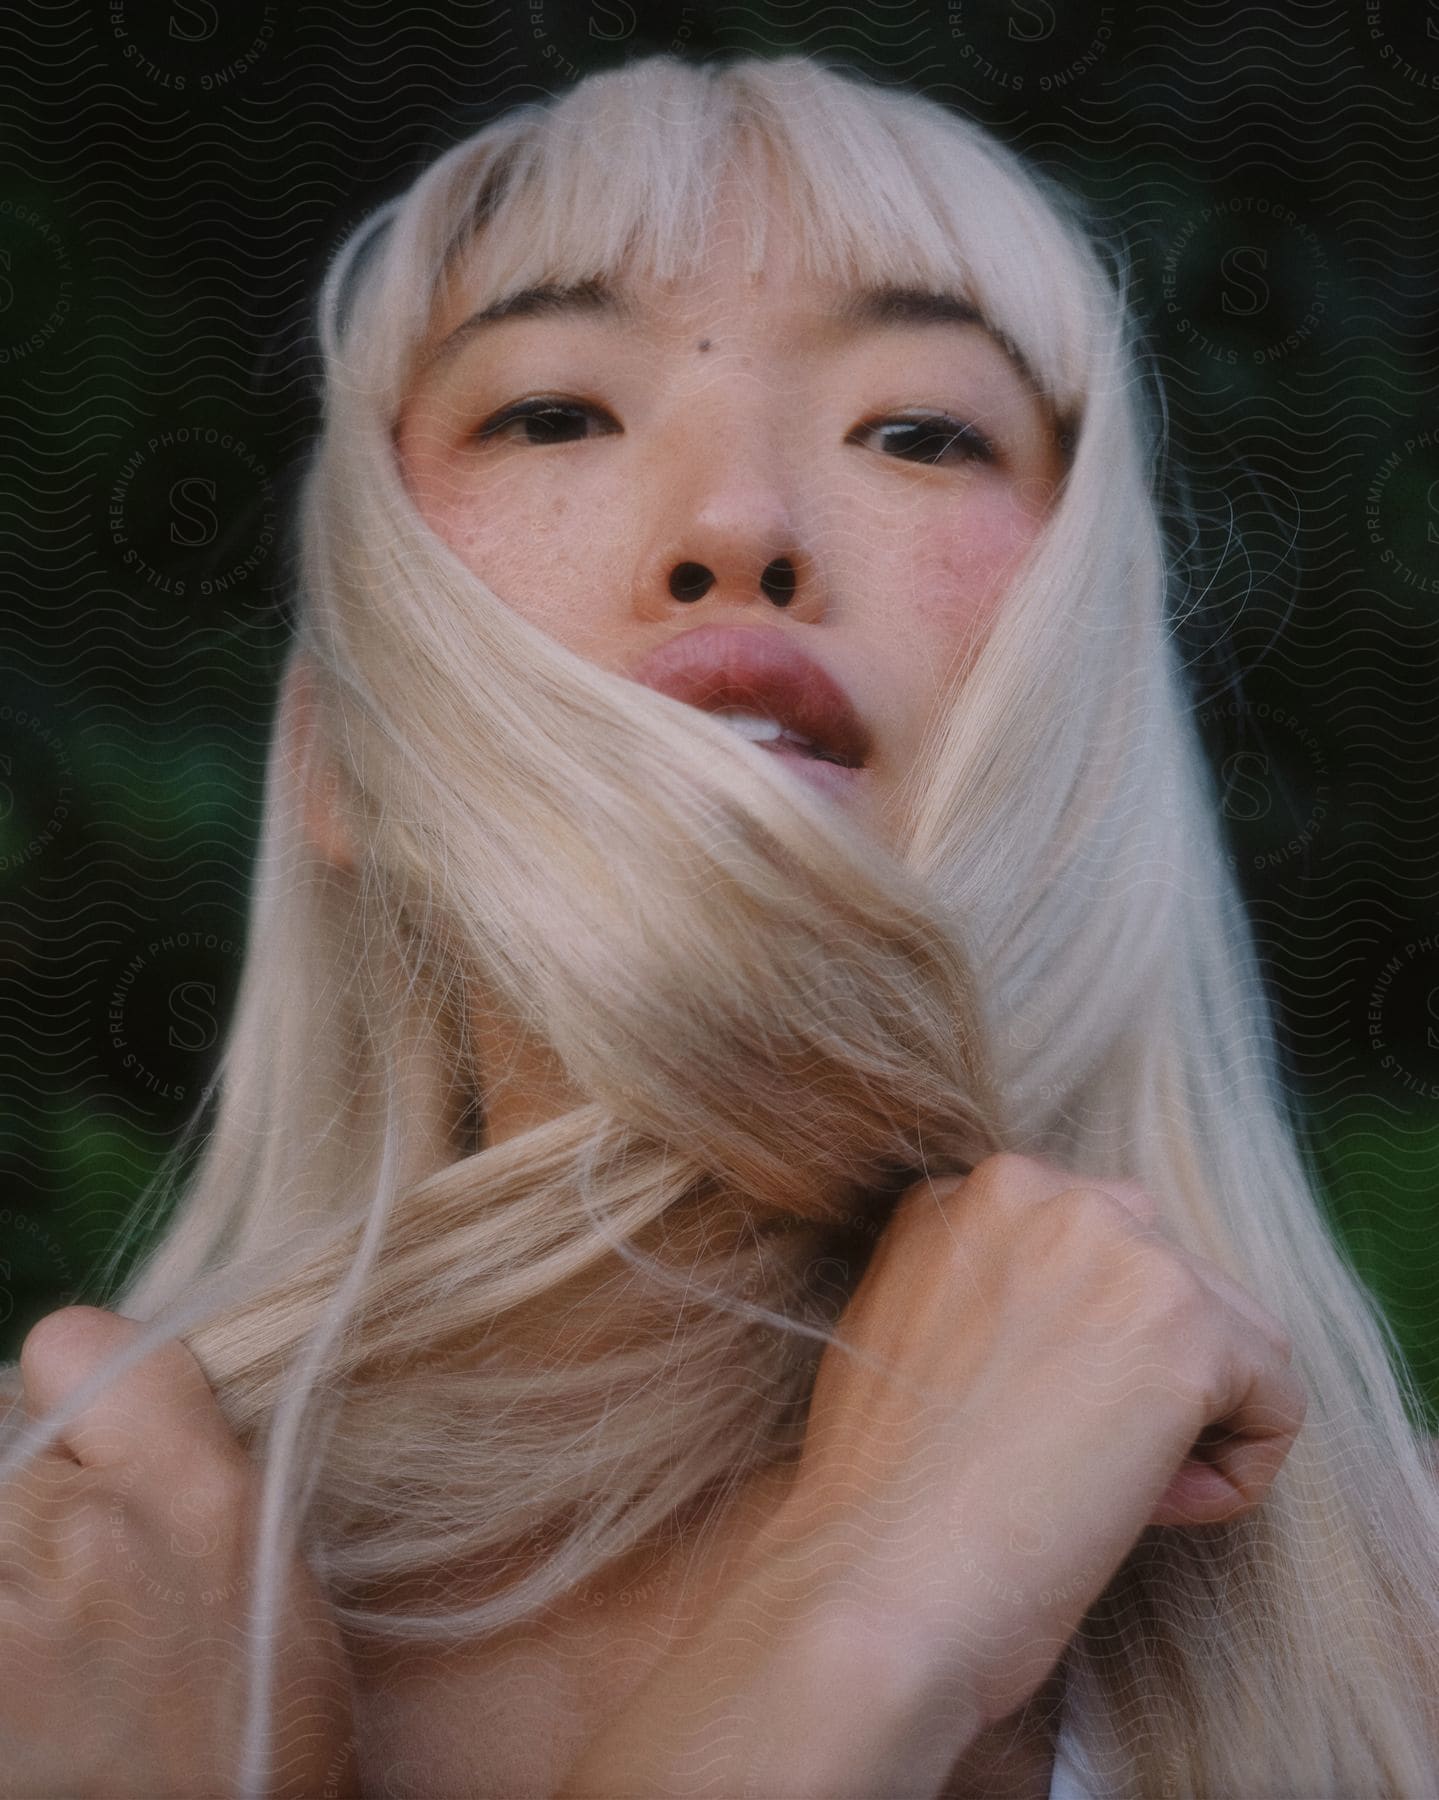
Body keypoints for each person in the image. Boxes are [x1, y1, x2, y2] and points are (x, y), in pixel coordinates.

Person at [2, 49, 1438, 1800]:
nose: (739, 526)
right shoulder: (55, 1599)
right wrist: (869, 1622)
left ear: (1089, 713)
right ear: (339, 761)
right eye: (553, 412)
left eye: (920, 431)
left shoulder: (1402, 1648)